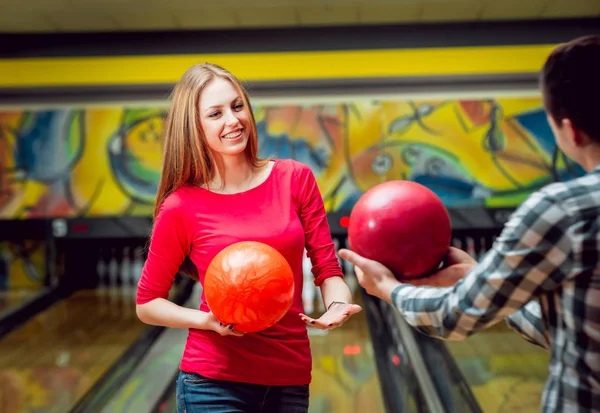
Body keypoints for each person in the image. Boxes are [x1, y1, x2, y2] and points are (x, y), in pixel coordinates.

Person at [339, 34, 600, 413]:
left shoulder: (560, 210)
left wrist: (388, 288)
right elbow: (572, 334)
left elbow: (454, 318)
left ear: (570, 130)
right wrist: (479, 277)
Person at [135, 62, 361, 413]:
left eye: (237, 106)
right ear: (194, 127)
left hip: (289, 376)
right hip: (213, 382)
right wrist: (207, 321)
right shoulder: (181, 206)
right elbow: (147, 303)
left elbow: (327, 269)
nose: (232, 120)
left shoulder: (295, 179)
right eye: (215, 113)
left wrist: (336, 305)